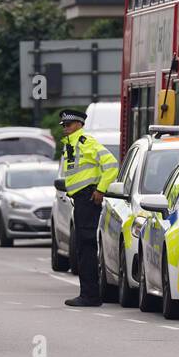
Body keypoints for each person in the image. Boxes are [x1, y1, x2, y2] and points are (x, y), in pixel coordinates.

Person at [58, 108, 118, 307]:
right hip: (81, 200)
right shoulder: (71, 145)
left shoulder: (86, 142)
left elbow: (111, 164)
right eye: (63, 126)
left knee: (86, 247)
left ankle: (90, 295)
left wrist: (100, 190)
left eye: (68, 125)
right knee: (83, 247)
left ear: (78, 125)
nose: (65, 129)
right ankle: (89, 293)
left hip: (88, 199)